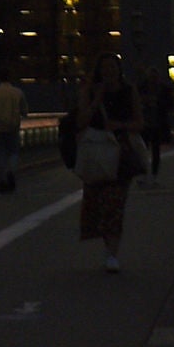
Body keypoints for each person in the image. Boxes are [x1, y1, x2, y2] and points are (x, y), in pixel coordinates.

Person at [75, 53, 143, 273]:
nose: (109, 73)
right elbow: (81, 121)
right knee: (98, 204)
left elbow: (140, 122)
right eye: (104, 69)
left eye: (113, 68)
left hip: (120, 151)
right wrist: (96, 98)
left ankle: (112, 253)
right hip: (96, 152)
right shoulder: (91, 91)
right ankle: (109, 248)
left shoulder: (128, 90)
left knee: (115, 203)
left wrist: (120, 125)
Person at [146, 74, 174, 176]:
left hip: (156, 123)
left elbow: (171, 105)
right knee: (148, 149)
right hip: (147, 122)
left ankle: (153, 173)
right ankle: (147, 172)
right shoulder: (143, 90)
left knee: (155, 149)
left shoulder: (163, 91)